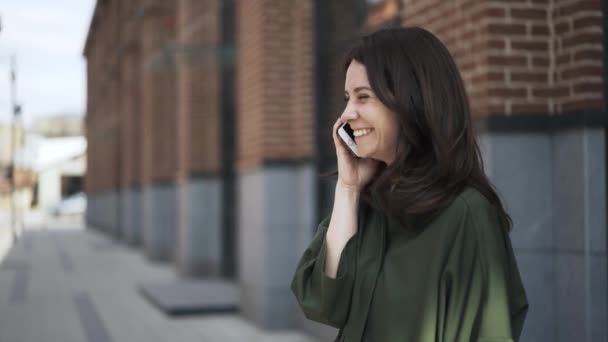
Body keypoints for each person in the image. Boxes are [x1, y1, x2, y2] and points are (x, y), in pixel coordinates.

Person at [290, 27, 528, 342]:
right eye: (348, 98)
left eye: (364, 97)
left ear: (411, 101)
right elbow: (321, 303)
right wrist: (348, 189)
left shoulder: (466, 215)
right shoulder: (369, 205)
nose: (346, 114)